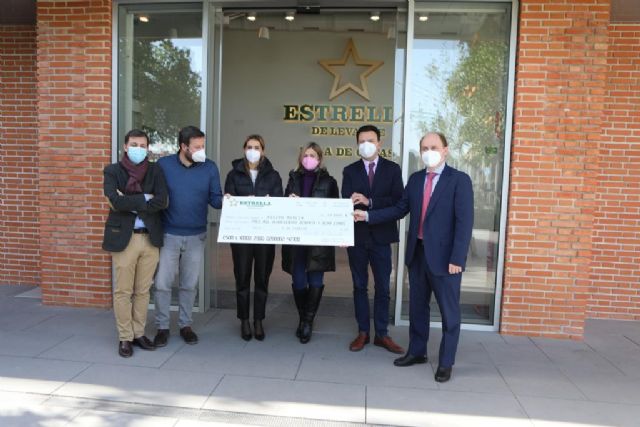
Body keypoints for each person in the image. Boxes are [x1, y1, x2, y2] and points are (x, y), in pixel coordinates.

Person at [354, 132, 474, 383]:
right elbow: (400, 209)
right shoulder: (416, 179)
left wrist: (457, 258)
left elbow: (464, 223)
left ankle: (446, 362)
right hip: (417, 254)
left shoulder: (459, 180)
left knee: (449, 313)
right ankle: (417, 352)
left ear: (445, 150)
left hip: (446, 259)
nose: (429, 152)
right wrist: (367, 215)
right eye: (424, 148)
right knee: (418, 308)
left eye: (434, 147)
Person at [153, 126, 223, 347]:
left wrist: (233, 201)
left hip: (196, 235)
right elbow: (154, 194)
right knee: (163, 284)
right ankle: (162, 327)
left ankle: (185, 325)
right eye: (197, 147)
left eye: (203, 146)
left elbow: (216, 200)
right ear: (183, 147)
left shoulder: (209, 167)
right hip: (168, 234)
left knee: (189, 284)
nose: (202, 150)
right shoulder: (164, 165)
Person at [102, 129, 169, 358]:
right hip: (124, 238)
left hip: (150, 238)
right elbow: (114, 201)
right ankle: (125, 337)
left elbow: (162, 201)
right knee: (123, 291)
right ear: (125, 146)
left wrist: (128, 201)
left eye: (142, 145)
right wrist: (144, 199)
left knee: (142, 290)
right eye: (134, 144)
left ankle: (139, 333)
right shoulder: (112, 171)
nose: (138, 149)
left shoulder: (155, 170)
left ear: (147, 148)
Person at [341, 125, 405, 354]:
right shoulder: (350, 170)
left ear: (379, 144)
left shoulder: (392, 169)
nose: (366, 145)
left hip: (382, 237)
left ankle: (382, 334)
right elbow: (344, 203)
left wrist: (370, 202)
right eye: (361, 141)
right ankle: (363, 332)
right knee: (359, 286)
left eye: (370, 140)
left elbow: (398, 202)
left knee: (383, 288)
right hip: (357, 237)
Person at [224, 134, 283, 341]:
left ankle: (258, 320)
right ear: (244, 149)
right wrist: (234, 200)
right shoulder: (234, 174)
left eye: (257, 147)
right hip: (241, 235)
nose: (253, 150)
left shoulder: (273, 175)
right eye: (249, 147)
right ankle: (244, 320)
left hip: (265, 235)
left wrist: (268, 202)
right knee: (242, 278)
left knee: (262, 279)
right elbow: (229, 200)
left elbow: (279, 202)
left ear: (263, 151)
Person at [282, 142, 339, 344]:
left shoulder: (330, 182)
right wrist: (289, 200)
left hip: (318, 241)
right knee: (298, 281)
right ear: (301, 158)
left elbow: (336, 211)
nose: (308, 159)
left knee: (315, 281)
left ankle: (307, 322)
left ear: (319, 159)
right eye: (305, 155)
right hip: (297, 240)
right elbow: (283, 207)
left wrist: (339, 235)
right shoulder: (293, 178)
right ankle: (303, 318)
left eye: (313, 155)